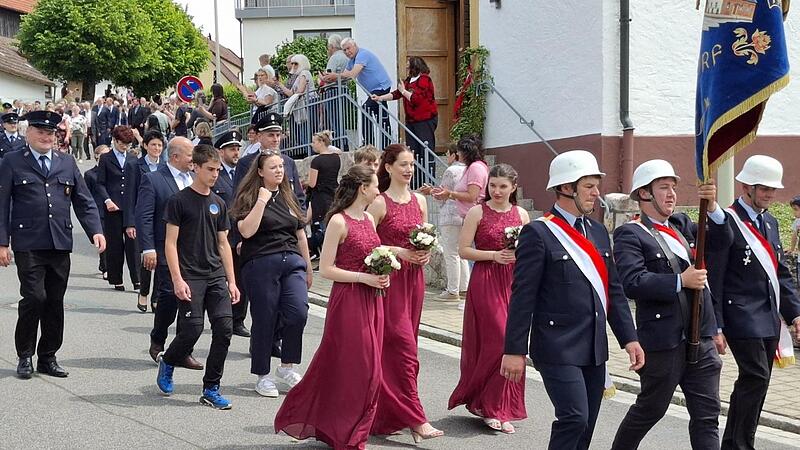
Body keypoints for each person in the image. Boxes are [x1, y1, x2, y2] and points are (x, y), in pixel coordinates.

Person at [500, 150, 644, 450]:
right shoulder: (538, 233)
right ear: (567, 188)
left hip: (593, 346)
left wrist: (629, 338)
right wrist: (514, 350)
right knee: (574, 417)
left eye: (596, 185)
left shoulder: (598, 232)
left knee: (587, 423)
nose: (596, 193)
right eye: (589, 186)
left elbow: (613, 291)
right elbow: (523, 296)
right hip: (556, 345)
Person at [611, 160, 724, 449]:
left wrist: (712, 207)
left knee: (707, 417)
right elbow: (632, 281)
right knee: (650, 410)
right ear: (644, 194)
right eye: (663, 187)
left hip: (701, 336)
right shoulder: (631, 233)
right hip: (664, 340)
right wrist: (679, 281)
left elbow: (723, 242)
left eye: (673, 187)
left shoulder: (682, 225)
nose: (672, 194)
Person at [274, 165, 390, 448]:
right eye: (375, 185)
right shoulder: (338, 221)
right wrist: (365, 277)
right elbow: (326, 269)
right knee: (355, 367)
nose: (378, 190)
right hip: (348, 301)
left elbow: (372, 255)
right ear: (363, 188)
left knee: (372, 369)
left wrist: (383, 271)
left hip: (372, 300)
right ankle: (344, 431)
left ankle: (351, 428)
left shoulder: (369, 220)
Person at [0, 110, 106, 379]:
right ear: (28, 133)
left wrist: (96, 230)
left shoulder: (66, 162)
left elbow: (83, 200)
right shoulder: (12, 161)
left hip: (59, 242)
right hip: (28, 242)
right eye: (41, 132)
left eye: (51, 133)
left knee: (55, 301)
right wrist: (3, 243)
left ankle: (48, 356)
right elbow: (2, 206)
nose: (47, 137)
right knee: (34, 298)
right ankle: (25, 355)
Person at [705, 155, 800, 450]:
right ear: (746, 186)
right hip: (739, 315)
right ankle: (739, 444)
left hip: (769, 316)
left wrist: (795, 314)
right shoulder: (727, 221)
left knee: (759, 382)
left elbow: (781, 274)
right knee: (755, 375)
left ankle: (737, 442)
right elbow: (716, 277)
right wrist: (716, 324)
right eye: (763, 189)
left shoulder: (770, 222)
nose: (769, 195)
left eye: (773, 189)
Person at [366, 144, 442, 440]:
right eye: (403, 165)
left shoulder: (420, 200)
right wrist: (401, 251)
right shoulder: (380, 203)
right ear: (388, 167)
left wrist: (424, 253)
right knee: (404, 349)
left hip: (415, 282)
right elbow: (366, 242)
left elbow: (425, 238)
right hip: (390, 282)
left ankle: (389, 413)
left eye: (411, 165)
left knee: (399, 350)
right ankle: (416, 418)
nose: (409, 170)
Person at [155, 145, 240, 410]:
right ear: (196, 168)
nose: (215, 175)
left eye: (217, 170)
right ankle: (168, 360)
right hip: (190, 275)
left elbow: (224, 244)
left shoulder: (219, 203)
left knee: (224, 330)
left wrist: (231, 280)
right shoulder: (179, 201)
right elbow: (170, 243)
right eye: (210, 170)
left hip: (215, 276)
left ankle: (211, 388)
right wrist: (177, 279)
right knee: (192, 329)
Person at [449, 163, 530, 433]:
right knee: (497, 340)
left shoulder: (521, 214)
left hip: (513, 282)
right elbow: (463, 250)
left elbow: (531, 252)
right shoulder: (476, 212)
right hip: (485, 280)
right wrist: (493, 256)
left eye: (502, 186)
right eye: (492, 185)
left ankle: (499, 405)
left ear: (513, 187)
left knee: (513, 342)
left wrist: (519, 258)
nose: (496, 190)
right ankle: (490, 406)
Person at [231, 144, 313, 398]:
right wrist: (262, 201)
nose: (279, 171)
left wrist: (308, 267)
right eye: (273, 167)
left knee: (298, 312)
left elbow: (300, 234)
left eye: (281, 167)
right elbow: (245, 231)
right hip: (261, 262)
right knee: (265, 318)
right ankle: (262, 374)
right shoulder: (249, 198)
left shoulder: (288, 197)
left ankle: (287, 366)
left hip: (292, 262)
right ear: (260, 172)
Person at [136, 137, 203, 370]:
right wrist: (148, 247)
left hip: (193, 252)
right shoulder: (154, 180)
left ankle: (184, 350)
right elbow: (144, 216)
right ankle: (158, 338)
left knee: (191, 301)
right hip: (165, 249)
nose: (193, 160)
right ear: (175, 157)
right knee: (168, 298)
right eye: (189, 155)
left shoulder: (195, 180)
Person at [372, 56, 438, 188]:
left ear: (415, 66)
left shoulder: (425, 79)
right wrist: (380, 98)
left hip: (425, 120)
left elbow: (417, 99)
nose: (407, 68)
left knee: (425, 149)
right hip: (411, 121)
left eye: (409, 65)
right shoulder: (408, 81)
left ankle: (428, 180)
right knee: (413, 151)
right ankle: (416, 181)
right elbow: (397, 94)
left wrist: (403, 91)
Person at [211, 130, 249, 338]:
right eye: (231, 149)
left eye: (237, 148)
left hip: (241, 236)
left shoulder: (244, 172)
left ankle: (238, 320)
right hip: (220, 236)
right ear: (221, 151)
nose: (236, 153)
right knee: (221, 278)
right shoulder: (215, 174)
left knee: (241, 279)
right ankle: (221, 316)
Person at [323, 38, 392, 148]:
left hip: (381, 87)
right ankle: (386, 145)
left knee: (366, 110)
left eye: (348, 48)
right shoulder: (352, 61)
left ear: (355, 46)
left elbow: (352, 75)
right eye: (344, 50)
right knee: (381, 116)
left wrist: (335, 76)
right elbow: (345, 76)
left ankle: (369, 143)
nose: (347, 52)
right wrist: (329, 78)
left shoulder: (362, 55)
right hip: (374, 90)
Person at [421, 145, 469, 301]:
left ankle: (452, 289)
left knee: (451, 253)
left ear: (454, 155)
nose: (447, 157)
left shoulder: (451, 171)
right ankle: (463, 287)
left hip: (450, 214)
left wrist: (430, 191)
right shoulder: (469, 169)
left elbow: (443, 193)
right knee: (462, 253)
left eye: (448, 154)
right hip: (465, 214)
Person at [125, 130, 165, 312]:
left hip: (163, 218)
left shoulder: (165, 166)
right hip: (144, 217)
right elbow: (130, 195)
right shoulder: (135, 165)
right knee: (147, 258)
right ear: (145, 146)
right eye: (153, 145)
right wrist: (130, 222)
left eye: (159, 145)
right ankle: (144, 292)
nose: (156, 148)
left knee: (162, 259)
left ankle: (156, 296)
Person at [97, 125, 140, 291]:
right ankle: (116, 278)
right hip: (112, 207)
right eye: (122, 144)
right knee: (115, 245)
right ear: (114, 141)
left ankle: (137, 279)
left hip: (130, 207)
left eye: (128, 144)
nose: (125, 147)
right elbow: (100, 183)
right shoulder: (106, 159)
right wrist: (107, 200)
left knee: (133, 245)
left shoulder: (132, 158)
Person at [233, 110, 305, 209]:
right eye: (271, 135)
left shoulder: (289, 162)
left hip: (289, 220)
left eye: (278, 135)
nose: (276, 139)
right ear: (259, 136)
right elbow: (238, 198)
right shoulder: (246, 163)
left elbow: (298, 197)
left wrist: (301, 219)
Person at [307, 130, 341, 259]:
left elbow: (312, 183)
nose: (312, 144)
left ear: (321, 142)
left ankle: (319, 252)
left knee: (320, 226)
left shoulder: (317, 161)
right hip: (333, 193)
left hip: (320, 196)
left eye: (314, 141)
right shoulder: (336, 158)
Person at [274, 54, 313, 152]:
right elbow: (291, 93)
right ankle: (304, 150)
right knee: (301, 131)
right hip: (301, 106)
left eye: (296, 63)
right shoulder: (298, 76)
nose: (293, 66)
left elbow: (300, 91)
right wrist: (279, 84)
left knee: (306, 130)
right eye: (292, 64)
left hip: (308, 104)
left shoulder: (304, 73)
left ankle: (308, 151)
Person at [86, 145, 111, 279]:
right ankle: (105, 266)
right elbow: (86, 196)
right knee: (104, 239)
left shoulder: (114, 172)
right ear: (97, 156)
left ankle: (106, 265)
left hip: (113, 210)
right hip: (98, 211)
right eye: (103, 154)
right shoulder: (90, 174)